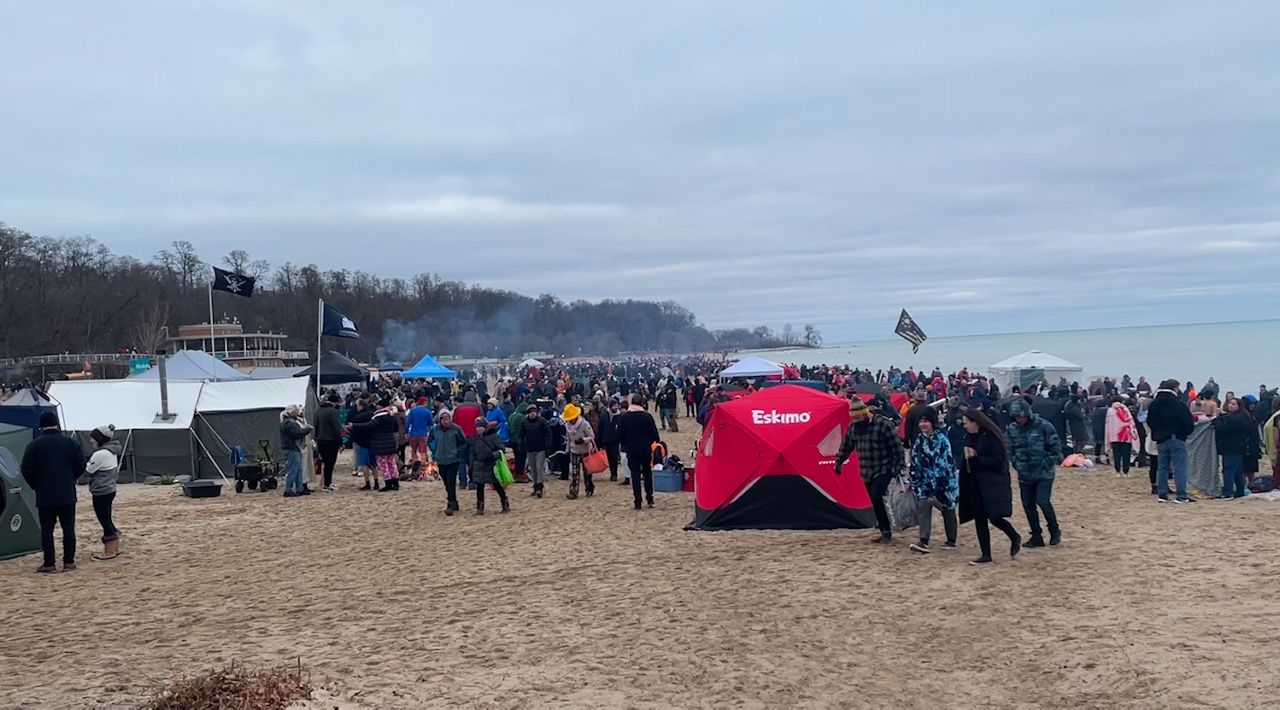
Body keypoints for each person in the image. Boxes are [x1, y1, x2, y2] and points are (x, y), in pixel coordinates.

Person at [21, 411, 85, 573]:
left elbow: (26, 469)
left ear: (41, 425)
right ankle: (69, 562)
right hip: (66, 492)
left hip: (45, 494)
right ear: (56, 423)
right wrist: (70, 478)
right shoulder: (71, 443)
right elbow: (80, 466)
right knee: (68, 528)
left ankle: (49, 563)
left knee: (47, 530)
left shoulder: (34, 445)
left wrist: (36, 485)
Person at [959, 407, 1022, 565]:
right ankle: (986, 554)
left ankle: (1014, 536)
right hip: (975, 482)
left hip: (993, 483)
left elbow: (998, 461)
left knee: (995, 517)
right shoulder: (969, 436)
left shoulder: (992, 437)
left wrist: (977, 459)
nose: (964, 426)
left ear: (976, 423)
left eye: (967, 423)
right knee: (979, 518)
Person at [834, 398, 903, 543]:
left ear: (865, 414)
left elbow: (897, 447)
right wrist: (838, 462)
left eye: (858, 417)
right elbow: (846, 446)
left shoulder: (883, 424)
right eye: (854, 418)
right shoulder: (854, 427)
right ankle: (883, 526)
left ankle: (886, 531)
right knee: (875, 500)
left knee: (876, 495)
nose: (856, 420)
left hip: (884, 467)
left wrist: (897, 466)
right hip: (866, 470)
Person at [1006, 399, 1063, 547]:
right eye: (1016, 417)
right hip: (1024, 473)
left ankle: (1054, 530)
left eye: (1021, 416)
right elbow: (1009, 448)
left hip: (1044, 473)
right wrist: (1015, 463)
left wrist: (1048, 463)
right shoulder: (1012, 429)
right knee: (1028, 505)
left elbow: (1056, 447)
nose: (1019, 419)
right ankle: (1036, 535)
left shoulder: (1043, 426)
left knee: (1042, 501)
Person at [908, 410, 958, 554]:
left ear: (932, 423)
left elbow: (944, 464)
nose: (923, 424)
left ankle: (951, 539)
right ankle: (923, 541)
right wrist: (913, 480)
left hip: (944, 482)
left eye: (926, 421)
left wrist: (940, 485)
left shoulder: (942, 439)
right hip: (925, 481)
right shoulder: (919, 439)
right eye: (921, 422)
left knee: (948, 509)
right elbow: (915, 461)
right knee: (923, 505)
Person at [1147, 379, 1197, 503]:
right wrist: (1185, 432)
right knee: (1179, 467)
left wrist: (1157, 432)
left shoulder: (1154, 404)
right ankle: (1181, 495)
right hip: (1176, 438)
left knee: (1162, 467)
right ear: (1175, 388)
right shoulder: (1177, 404)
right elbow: (1187, 421)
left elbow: (1150, 421)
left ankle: (1162, 494)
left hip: (1160, 439)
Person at [85, 425, 123, 560]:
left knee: (104, 520)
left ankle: (109, 551)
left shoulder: (101, 454)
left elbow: (87, 471)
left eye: (93, 438)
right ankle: (115, 547)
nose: (91, 441)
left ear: (100, 439)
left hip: (101, 491)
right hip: (110, 489)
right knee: (107, 518)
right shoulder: (111, 451)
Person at [616, 395, 661, 510]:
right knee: (647, 474)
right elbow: (655, 436)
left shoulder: (625, 418)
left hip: (631, 450)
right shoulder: (647, 417)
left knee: (635, 476)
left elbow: (619, 435)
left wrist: (626, 443)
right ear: (642, 403)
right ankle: (650, 498)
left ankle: (638, 501)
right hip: (645, 450)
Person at [353, 399, 401, 492]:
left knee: (383, 464)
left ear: (381, 406)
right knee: (391, 463)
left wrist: (354, 425)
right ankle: (395, 483)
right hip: (390, 441)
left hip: (381, 442)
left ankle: (388, 483)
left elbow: (369, 425)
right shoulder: (391, 415)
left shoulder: (379, 417)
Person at [1214, 397, 1255, 499]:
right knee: (1237, 471)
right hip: (1240, 447)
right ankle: (1239, 491)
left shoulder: (1236, 418)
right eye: (1230, 403)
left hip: (1231, 447)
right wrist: (1222, 414)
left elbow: (1222, 428)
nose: (1230, 405)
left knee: (1228, 470)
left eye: (1233, 404)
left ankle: (1228, 492)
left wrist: (1216, 419)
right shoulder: (1243, 416)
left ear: (1239, 406)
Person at [469, 417, 510, 515]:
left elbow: (501, 449)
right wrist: (472, 465)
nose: (479, 429)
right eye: (477, 427)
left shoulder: (493, 437)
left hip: (491, 464)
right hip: (479, 464)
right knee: (479, 487)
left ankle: (505, 503)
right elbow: (473, 452)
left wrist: (493, 455)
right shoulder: (475, 439)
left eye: (481, 427)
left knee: (497, 485)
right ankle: (480, 508)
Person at [429, 410, 467, 515]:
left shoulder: (456, 429)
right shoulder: (435, 430)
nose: (446, 421)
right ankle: (454, 501)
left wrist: (457, 453)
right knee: (446, 482)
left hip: (453, 460)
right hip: (440, 459)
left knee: (451, 481)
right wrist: (434, 451)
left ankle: (450, 504)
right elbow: (430, 441)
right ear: (440, 420)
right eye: (444, 419)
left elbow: (463, 442)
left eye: (448, 418)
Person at [563, 403, 597, 499]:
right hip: (574, 451)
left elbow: (591, 436)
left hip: (585, 451)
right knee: (574, 473)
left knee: (587, 473)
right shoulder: (567, 425)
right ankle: (574, 492)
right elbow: (568, 439)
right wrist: (567, 450)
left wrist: (583, 440)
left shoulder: (585, 424)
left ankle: (589, 488)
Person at [280, 404, 313, 497]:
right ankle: (288, 490)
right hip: (292, 448)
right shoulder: (289, 423)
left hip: (292, 448)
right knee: (294, 470)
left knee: (298, 470)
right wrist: (307, 429)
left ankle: (299, 488)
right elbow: (298, 434)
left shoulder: (286, 422)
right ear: (292, 412)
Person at [314, 393, 344, 491]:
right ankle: (327, 484)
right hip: (331, 441)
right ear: (334, 402)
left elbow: (315, 426)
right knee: (330, 463)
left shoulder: (318, 411)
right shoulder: (333, 411)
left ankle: (328, 483)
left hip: (320, 440)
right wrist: (340, 442)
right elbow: (337, 428)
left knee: (326, 462)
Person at [521, 406, 551, 498]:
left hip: (540, 448)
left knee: (539, 468)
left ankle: (539, 487)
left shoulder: (542, 421)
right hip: (530, 448)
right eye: (530, 412)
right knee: (533, 470)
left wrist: (548, 445)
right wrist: (521, 444)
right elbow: (521, 434)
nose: (533, 413)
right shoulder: (524, 422)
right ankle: (535, 486)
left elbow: (548, 433)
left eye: (534, 411)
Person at [1104, 396, 1138, 476]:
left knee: (1117, 454)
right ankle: (1126, 471)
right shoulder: (1125, 410)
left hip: (1114, 436)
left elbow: (1108, 424)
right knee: (1126, 454)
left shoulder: (1110, 410)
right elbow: (1131, 422)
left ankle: (1118, 471)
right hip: (1126, 435)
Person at [405, 396, 434, 476]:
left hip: (413, 434)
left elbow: (408, 423)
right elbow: (431, 422)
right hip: (423, 434)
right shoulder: (427, 411)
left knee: (413, 451)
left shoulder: (412, 411)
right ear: (425, 402)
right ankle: (423, 467)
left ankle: (414, 466)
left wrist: (406, 432)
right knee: (423, 451)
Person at [599, 399, 622, 481]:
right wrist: (600, 442)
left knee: (614, 457)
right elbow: (600, 429)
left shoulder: (620, 417)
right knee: (609, 458)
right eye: (614, 406)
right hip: (606, 441)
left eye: (617, 405)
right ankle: (611, 471)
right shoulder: (604, 416)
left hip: (615, 441)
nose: (616, 407)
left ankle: (614, 474)